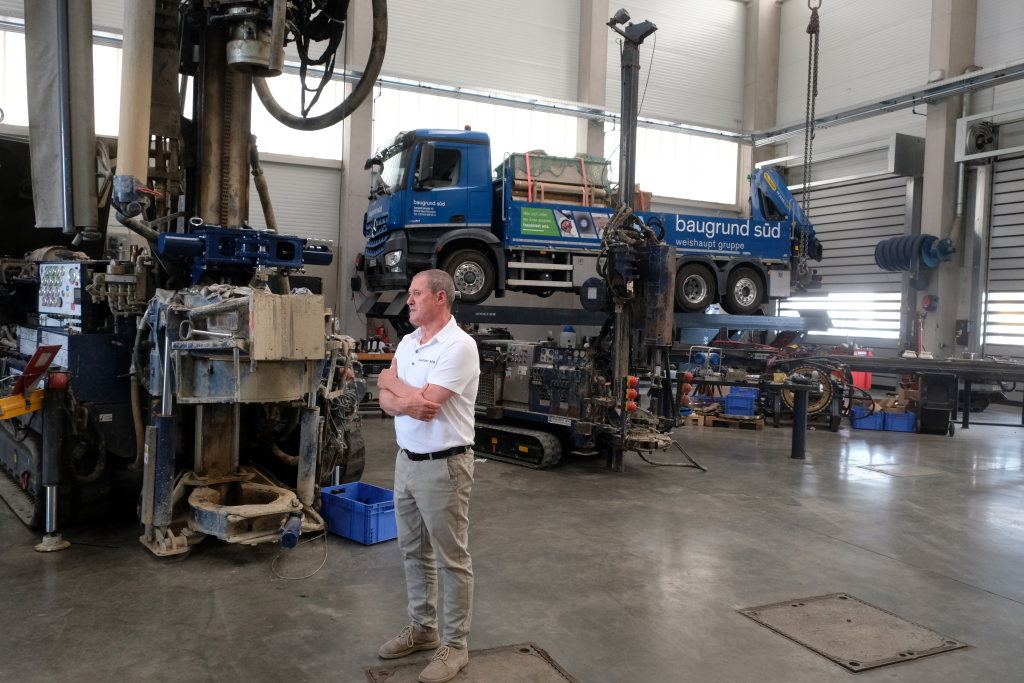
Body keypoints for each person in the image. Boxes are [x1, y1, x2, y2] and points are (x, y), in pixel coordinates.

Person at [376, 269, 480, 683]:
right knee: (412, 551)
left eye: (416, 293)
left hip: (444, 466)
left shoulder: (460, 346)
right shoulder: (407, 342)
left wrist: (394, 385)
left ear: (440, 297)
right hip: (406, 462)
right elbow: (385, 400)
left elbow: (429, 406)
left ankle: (455, 645)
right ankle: (423, 629)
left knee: (452, 559)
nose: (409, 300)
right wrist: (401, 394)